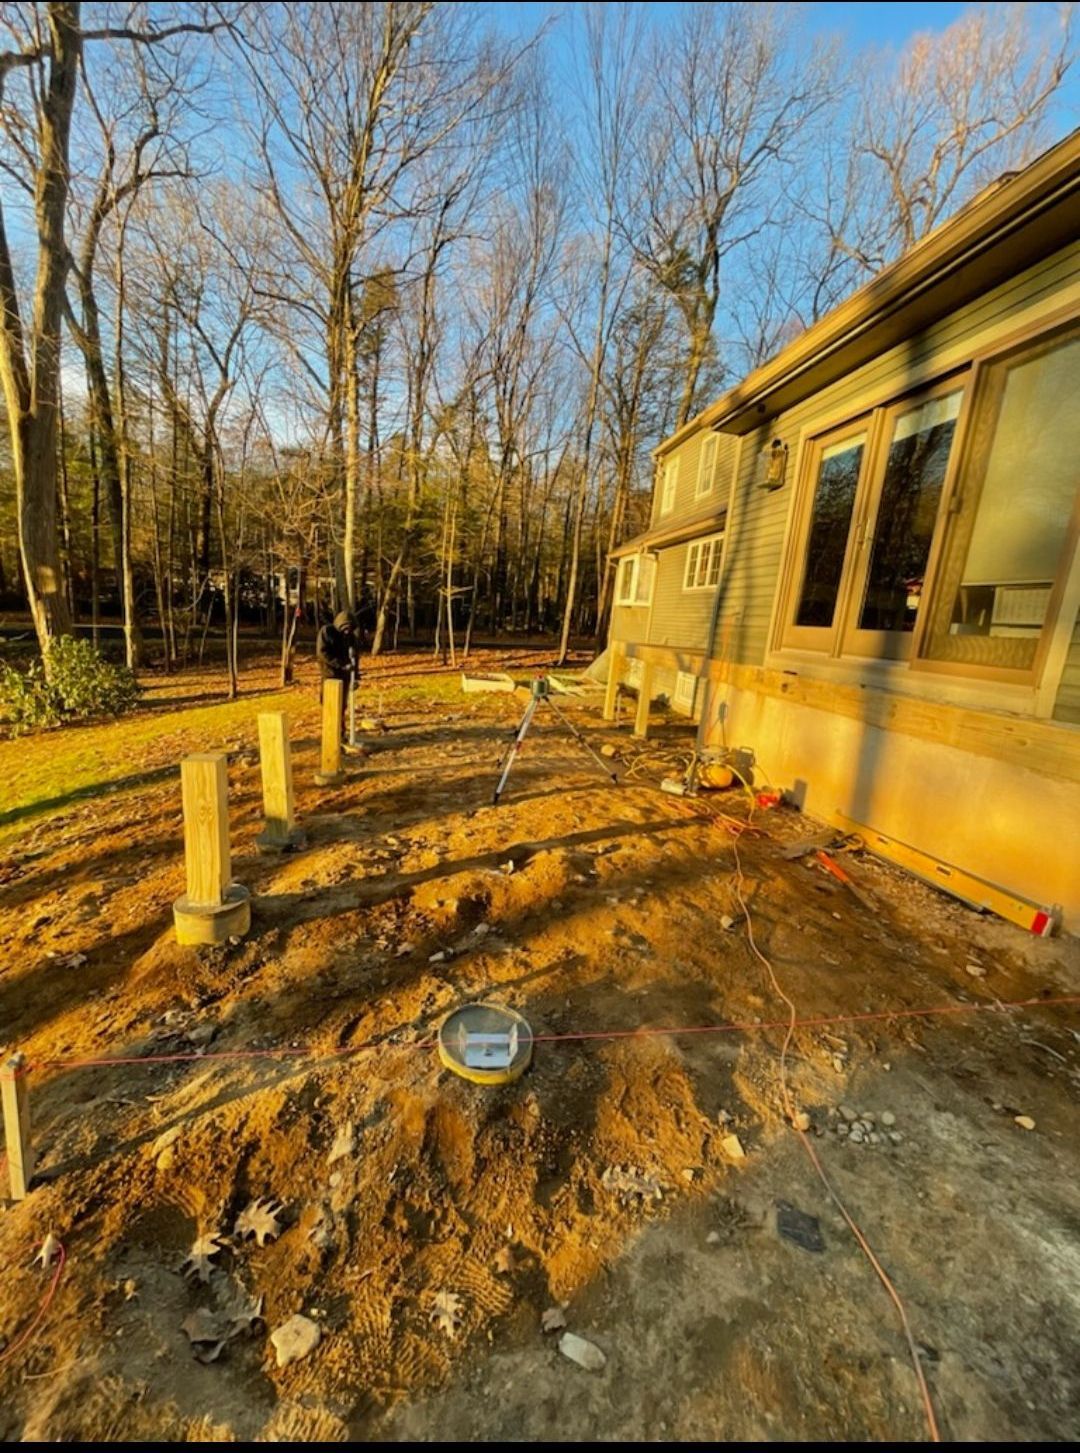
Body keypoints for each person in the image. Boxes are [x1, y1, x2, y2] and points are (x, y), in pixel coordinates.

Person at [316, 609, 358, 744]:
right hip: (330, 676)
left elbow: (354, 657)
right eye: (345, 628)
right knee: (331, 706)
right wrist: (340, 664)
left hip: (344, 676)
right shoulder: (327, 632)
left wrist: (355, 677)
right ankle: (331, 734)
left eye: (350, 629)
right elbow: (323, 653)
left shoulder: (351, 637)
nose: (347, 631)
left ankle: (340, 733)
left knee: (342, 706)